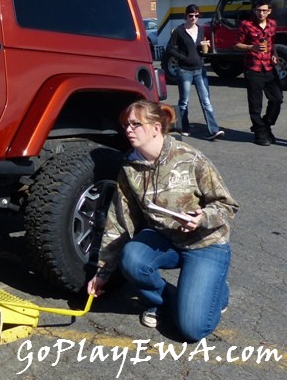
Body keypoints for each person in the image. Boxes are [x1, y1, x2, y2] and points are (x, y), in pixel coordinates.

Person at [87, 100, 238, 342]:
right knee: (132, 257)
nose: (128, 129)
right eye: (125, 124)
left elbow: (227, 205)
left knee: (192, 329)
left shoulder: (190, 158)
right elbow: (120, 222)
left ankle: (217, 289)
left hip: (204, 243)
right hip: (165, 239)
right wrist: (103, 272)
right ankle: (161, 301)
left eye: (136, 124)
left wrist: (202, 218)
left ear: (156, 127)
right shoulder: (130, 167)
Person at [165, 4, 224, 140]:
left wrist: (204, 47)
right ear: (186, 16)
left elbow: (198, 48)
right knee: (184, 101)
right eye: (190, 15)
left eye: (196, 15)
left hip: (199, 69)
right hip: (184, 70)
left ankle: (214, 130)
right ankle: (184, 127)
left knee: (206, 101)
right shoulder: (179, 31)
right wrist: (184, 57)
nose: (193, 18)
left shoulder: (200, 30)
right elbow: (170, 49)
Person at [234, 0, 283, 145]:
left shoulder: (272, 24)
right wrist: (251, 47)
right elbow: (236, 45)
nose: (261, 13)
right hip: (253, 68)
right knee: (256, 104)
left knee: (277, 99)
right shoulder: (246, 25)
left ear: (269, 11)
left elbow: (272, 43)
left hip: (269, 68)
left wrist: (275, 55)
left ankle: (266, 125)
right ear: (254, 11)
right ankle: (260, 132)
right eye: (258, 10)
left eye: (264, 10)